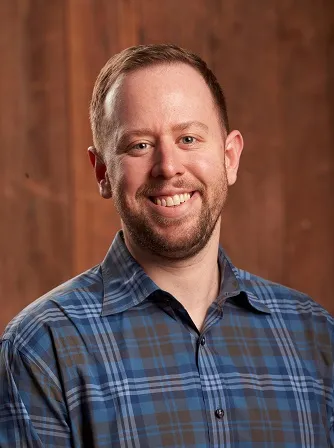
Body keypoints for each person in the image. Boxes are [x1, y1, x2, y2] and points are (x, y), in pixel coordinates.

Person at [0, 44, 333, 448]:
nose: (168, 166)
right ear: (103, 172)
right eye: (139, 145)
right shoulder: (42, 347)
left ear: (230, 157)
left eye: (188, 138)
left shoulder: (315, 336)